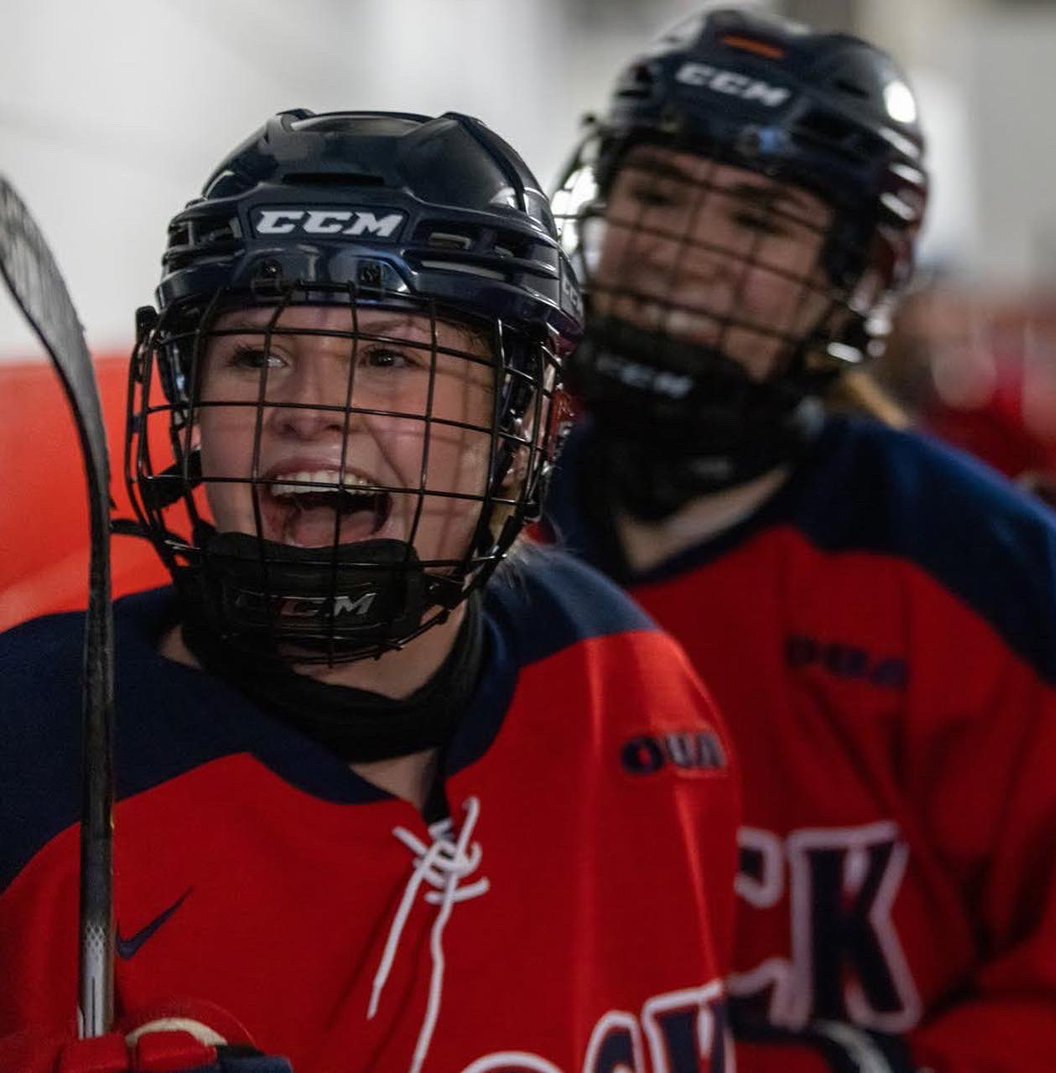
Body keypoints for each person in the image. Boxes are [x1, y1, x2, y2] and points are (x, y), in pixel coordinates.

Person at [0, 109, 739, 1073]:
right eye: (255, 357)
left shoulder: (629, 684)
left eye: (392, 359)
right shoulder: (28, 738)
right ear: (186, 407)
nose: (308, 411)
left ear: (520, 429)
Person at [543, 9, 1056, 1072]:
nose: (685, 258)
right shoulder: (471, 528)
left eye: (759, 221)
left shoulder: (983, 562)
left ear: (857, 275)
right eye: (658, 196)